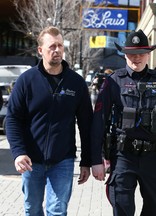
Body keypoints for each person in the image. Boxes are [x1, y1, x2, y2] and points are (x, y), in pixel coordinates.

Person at [90, 29, 156, 216]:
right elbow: (98, 122)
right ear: (125, 54)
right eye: (132, 53)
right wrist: (96, 160)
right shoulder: (113, 82)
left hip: (153, 157)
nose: (136, 58)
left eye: (141, 53)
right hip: (123, 157)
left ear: (148, 55)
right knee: (122, 208)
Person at [6, 26, 93, 216]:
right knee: (33, 209)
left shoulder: (76, 83)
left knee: (57, 210)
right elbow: (12, 119)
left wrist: (87, 160)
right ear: (40, 50)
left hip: (62, 160)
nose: (57, 50)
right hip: (31, 160)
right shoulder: (26, 81)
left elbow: (86, 124)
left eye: (60, 45)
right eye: (52, 46)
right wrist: (19, 153)